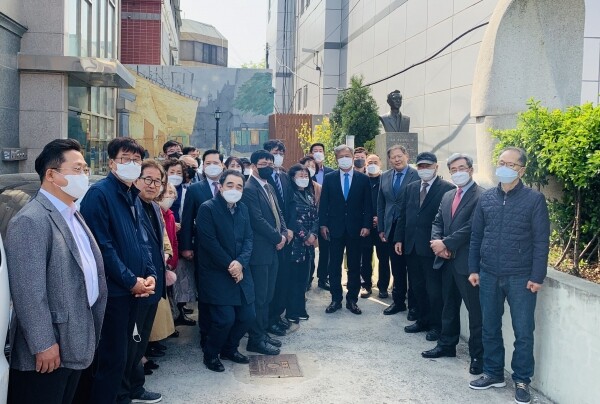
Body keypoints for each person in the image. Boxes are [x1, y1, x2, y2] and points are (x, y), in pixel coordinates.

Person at [6, 139, 107, 404]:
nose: (84, 175)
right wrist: (43, 343)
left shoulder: (72, 213)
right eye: (78, 169)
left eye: (86, 169)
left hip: (76, 339)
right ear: (51, 175)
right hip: (49, 350)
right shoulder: (31, 220)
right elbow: (29, 292)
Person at [468, 147, 550, 404]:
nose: (504, 168)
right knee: (489, 326)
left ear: (521, 170)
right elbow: (476, 236)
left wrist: (537, 276)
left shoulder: (534, 200)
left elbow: (541, 241)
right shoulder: (486, 198)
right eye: (501, 162)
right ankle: (493, 373)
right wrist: (474, 268)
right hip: (489, 274)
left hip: (520, 276)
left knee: (523, 331)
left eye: (511, 164)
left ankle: (522, 380)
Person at [80, 137, 157, 404]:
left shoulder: (132, 194)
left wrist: (149, 274)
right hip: (113, 293)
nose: (132, 164)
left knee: (124, 356)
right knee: (111, 360)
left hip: (132, 290)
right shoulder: (100, 194)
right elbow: (102, 246)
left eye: (137, 160)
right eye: (126, 159)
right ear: (112, 163)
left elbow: (141, 241)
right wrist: (130, 280)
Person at [421, 153, 484, 377]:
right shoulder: (448, 195)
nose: (458, 173)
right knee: (448, 305)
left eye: (462, 168)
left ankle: (478, 357)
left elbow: (472, 227)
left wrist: (446, 243)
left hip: (467, 263)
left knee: (475, 312)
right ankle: (447, 345)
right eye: (454, 170)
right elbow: (437, 221)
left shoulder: (481, 196)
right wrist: (438, 244)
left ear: (471, 170)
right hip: (446, 261)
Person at [117, 160, 167, 404]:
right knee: (130, 345)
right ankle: (124, 392)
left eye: (158, 181)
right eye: (148, 179)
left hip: (153, 285)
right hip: (136, 287)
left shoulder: (155, 207)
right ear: (136, 179)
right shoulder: (130, 206)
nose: (152, 185)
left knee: (140, 344)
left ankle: (136, 388)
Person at [196, 170, 256, 372]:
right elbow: (209, 243)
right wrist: (231, 265)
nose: (234, 189)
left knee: (247, 316)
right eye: (230, 185)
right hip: (217, 272)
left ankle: (230, 349)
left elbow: (249, 239)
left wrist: (240, 263)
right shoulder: (208, 208)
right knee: (224, 319)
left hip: (240, 270)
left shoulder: (243, 208)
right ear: (220, 186)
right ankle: (211, 354)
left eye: (239, 186)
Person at [393, 152, 454, 341]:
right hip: (411, 245)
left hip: (432, 247)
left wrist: (444, 243)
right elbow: (403, 215)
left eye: (428, 166)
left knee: (434, 290)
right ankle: (422, 319)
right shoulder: (411, 188)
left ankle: (436, 326)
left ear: (436, 167)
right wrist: (399, 239)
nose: (424, 169)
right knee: (417, 286)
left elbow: (448, 220)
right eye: (420, 166)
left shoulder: (447, 189)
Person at [242, 150, 287, 355]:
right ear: (253, 166)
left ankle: (262, 332)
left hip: (273, 249)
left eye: (270, 163)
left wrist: (283, 233)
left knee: (268, 295)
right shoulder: (249, 188)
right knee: (259, 297)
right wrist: (278, 238)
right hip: (260, 252)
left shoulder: (268, 186)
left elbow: (279, 213)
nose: (268, 167)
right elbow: (257, 219)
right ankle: (255, 339)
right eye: (263, 164)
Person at [319, 144, 372, 315]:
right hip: (334, 228)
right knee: (334, 265)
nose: (344, 159)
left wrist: (366, 225)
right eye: (341, 156)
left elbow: (368, 205)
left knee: (354, 266)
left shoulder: (363, 179)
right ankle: (336, 299)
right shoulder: (329, 178)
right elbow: (324, 203)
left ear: (352, 157)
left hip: (356, 229)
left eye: (347, 156)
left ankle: (352, 300)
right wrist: (323, 224)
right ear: (336, 159)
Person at [179, 149, 224, 346]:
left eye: (216, 162)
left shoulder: (230, 186)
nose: (212, 166)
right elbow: (187, 219)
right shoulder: (195, 189)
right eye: (208, 163)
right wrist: (186, 246)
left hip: (228, 249)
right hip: (203, 249)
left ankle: (223, 328)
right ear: (203, 166)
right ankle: (205, 332)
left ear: (222, 165)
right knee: (205, 291)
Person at [377, 145, 419, 313]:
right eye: (393, 157)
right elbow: (381, 204)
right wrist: (381, 228)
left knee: (413, 268)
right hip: (391, 227)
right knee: (397, 267)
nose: (397, 159)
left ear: (406, 156)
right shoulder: (385, 176)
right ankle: (398, 301)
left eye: (399, 156)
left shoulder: (416, 175)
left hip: (410, 228)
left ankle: (414, 305)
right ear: (389, 160)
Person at [263, 140, 296, 337]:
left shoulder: (284, 176)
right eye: (275, 152)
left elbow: (290, 204)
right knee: (270, 283)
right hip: (270, 239)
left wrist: (289, 229)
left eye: (281, 153)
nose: (279, 156)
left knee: (283, 278)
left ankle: (277, 315)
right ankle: (268, 319)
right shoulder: (263, 178)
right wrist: (278, 235)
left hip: (286, 236)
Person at [163, 159, 196, 326]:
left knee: (182, 278)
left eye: (179, 173)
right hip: (165, 239)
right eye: (172, 172)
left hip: (180, 239)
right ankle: (169, 316)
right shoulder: (159, 190)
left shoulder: (186, 191)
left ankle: (179, 310)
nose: (175, 176)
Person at [286, 164, 319, 322]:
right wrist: (305, 236)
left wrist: (313, 234)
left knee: (304, 279)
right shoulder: (290, 195)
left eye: (306, 176)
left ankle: (300, 309)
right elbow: (292, 220)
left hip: (308, 246)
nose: (304, 179)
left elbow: (316, 217)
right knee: (293, 279)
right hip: (295, 244)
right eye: (300, 176)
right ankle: (291, 312)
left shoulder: (309, 194)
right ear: (292, 177)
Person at [359, 153, 389, 299]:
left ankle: (383, 287)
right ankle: (366, 285)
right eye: (369, 162)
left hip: (381, 227)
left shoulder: (386, 180)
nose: (372, 164)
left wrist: (380, 218)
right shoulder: (361, 181)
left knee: (383, 258)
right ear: (365, 164)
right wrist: (367, 220)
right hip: (365, 226)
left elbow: (389, 202)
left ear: (380, 164)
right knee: (365, 257)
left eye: (375, 162)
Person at [309, 143, 333, 291]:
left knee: (326, 250)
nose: (318, 153)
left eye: (320, 151)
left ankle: (323, 278)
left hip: (325, 217)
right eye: (315, 151)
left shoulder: (331, 173)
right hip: (308, 218)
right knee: (309, 249)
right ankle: (308, 277)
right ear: (310, 153)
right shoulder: (304, 171)